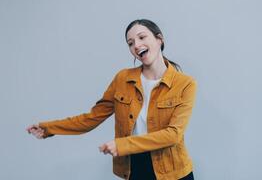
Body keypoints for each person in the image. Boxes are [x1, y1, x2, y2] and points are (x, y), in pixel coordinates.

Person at [27, 19, 197, 180]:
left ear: (159, 39)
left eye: (142, 37)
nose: (136, 45)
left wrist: (122, 145)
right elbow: (91, 118)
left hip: (174, 172)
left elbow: (173, 135)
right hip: (134, 168)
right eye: (130, 43)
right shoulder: (122, 79)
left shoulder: (185, 84)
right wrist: (49, 128)